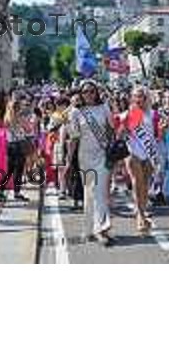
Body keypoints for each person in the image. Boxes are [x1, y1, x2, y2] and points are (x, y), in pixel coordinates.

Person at [67, 81, 115, 246]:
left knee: (100, 191)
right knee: (90, 193)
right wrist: (67, 160)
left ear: (96, 92)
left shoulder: (104, 108)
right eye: (85, 92)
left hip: (102, 155)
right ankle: (89, 228)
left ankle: (102, 229)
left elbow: (111, 129)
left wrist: (114, 151)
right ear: (80, 93)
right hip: (85, 157)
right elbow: (74, 138)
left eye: (92, 91)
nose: (89, 94)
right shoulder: (76, 112)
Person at [121, 87, 158, 235]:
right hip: (133, 151)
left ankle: (141, 210)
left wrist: (162, 128)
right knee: (137, 181)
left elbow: (156, 133)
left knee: (145, 184)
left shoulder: (153, 114)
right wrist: (125, 125)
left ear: (146, 98)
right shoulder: (130, 113)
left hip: (148, 153)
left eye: (141, 96)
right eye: (135, 96)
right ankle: (141, 216)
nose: (138, 99)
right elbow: (122, 132)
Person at [3, 98, 31, 202]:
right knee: (18, 170)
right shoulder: (19, 118)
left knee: (9, 170)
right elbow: (28, 129)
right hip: (19, 144)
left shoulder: (7, 118)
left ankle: (2, 191)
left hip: (11, 145)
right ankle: (17, 192)